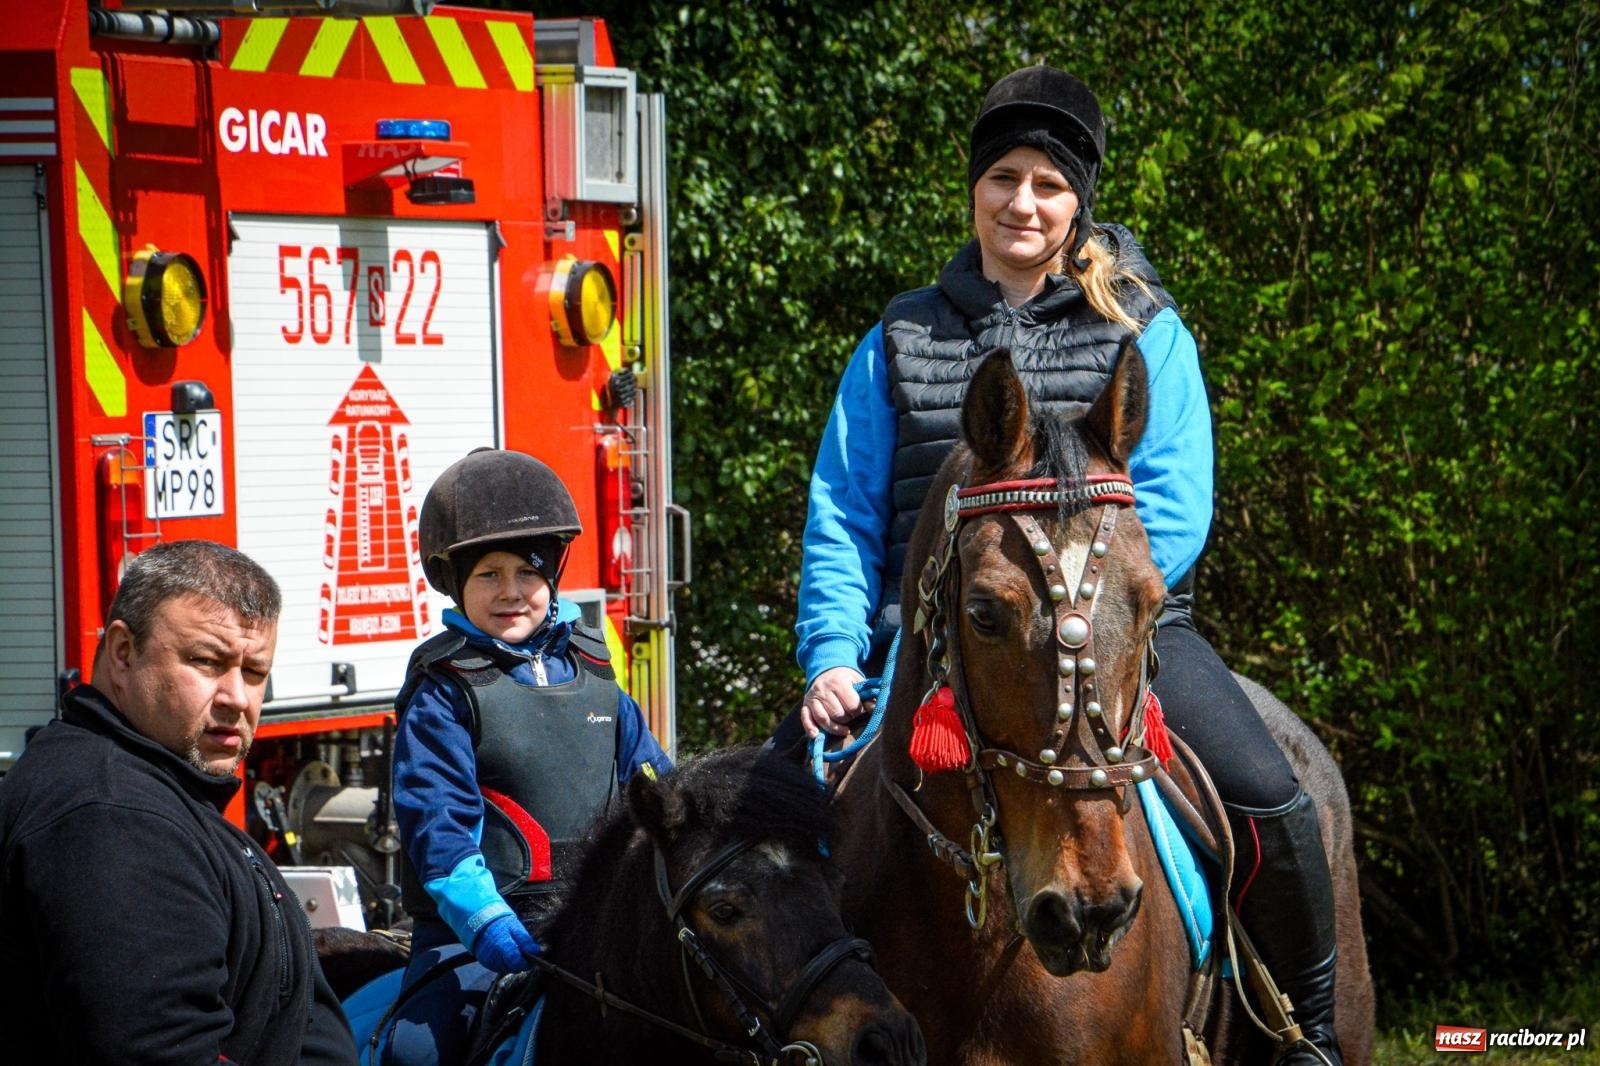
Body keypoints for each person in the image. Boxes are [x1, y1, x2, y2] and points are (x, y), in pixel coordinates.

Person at [792, 65, 1343, 1066]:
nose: (1023, 203)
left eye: (1047, 185)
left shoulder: (1142, 329)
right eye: (1004, 177)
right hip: (928, 650)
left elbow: (1174, 506)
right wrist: (832, 652)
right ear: (974, 188)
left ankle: (1301, 1029)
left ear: (1077, 203)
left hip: (1126, 636)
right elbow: (841, 509)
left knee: (1273, 794)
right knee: (771, 840)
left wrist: (1083, 612)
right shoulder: (898, 338)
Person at [0, 539, 358, 1065]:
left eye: (255, 672)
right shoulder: (112, 819)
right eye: (206, 661)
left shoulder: (144, 788)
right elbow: (160, 1050)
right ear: (123, 653)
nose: (238, 697)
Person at [386, 447, 673, 1065]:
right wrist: (483, 919)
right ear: (456, 582)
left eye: (528, 573)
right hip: (477, 935)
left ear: (553, 577)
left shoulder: (599, 676)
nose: (511, 592)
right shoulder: (443, 690)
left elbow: (655, 788)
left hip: (595, 924)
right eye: (489, 574)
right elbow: (437, 824)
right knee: (416, 1053)